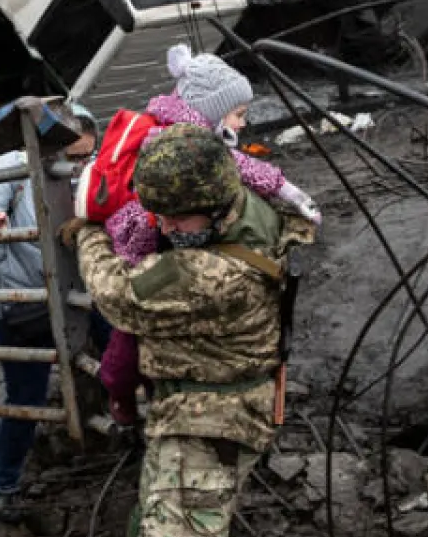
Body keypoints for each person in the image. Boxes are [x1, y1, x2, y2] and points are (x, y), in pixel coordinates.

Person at [68, 125, 315, 537]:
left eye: (178, 216)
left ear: (215, 203)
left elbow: (117, 293)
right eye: (160, 214)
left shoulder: (211, 272)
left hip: (208, 428)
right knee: (150, 535)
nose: (167, 225)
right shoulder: (249, 206)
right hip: (208, 411)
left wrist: (90, 230)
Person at [99, 43, 320, 424]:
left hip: (160, 236)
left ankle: (139, 396)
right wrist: (285, 188)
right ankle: (120, 394)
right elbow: (237, 165)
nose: (243, 123)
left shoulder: (181, 130)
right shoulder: (181, 140)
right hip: (143, 237)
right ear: (212, 111)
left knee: (147, 325)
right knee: (131, 321)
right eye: (238, 114)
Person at [0, 102, 100, 523]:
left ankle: (124, 428)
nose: (79, 168)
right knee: (25, 398)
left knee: (120, 354)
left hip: (82, 297)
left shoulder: (93, 171)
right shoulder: (14, 169)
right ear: (48, 149)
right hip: (24, 304)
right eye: (72, 159)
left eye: (87, 157)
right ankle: (6, 485)